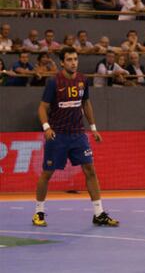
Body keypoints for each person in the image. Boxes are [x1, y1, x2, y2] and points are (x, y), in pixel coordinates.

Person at [33, 47, 119, 227]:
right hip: (58, 135)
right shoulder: (53, 82)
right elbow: (42, 108)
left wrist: (93, 128)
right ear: (62, 62)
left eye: (75, 59)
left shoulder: (82, 80)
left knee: (90, 171)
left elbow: (86, 103)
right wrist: (46, 127)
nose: (73, 62)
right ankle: (38, 212)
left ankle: (99, 213)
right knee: (47, 174)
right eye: (69, 59)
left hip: (78, 135)